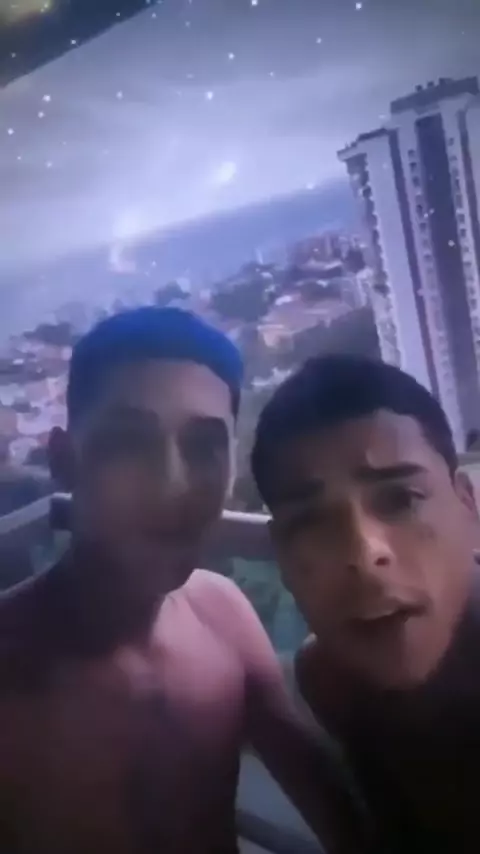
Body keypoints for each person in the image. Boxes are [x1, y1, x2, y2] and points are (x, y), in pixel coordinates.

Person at [0, 309, 370, 854]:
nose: (172, 486)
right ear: (64, 461)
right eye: (129, 442)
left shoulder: (223, 614)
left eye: (203, 446)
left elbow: (341, 816)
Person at [251, 354, 480, 852]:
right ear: (282, 556)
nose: (364, 553)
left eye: (401, 499)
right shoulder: (331, 680)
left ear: (468, 505)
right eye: (311, 522)